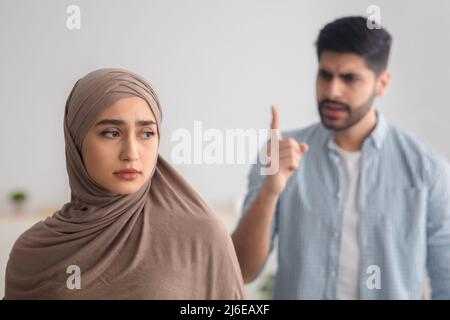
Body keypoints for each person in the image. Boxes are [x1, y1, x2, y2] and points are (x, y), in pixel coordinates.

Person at [232, 16, 450, 299]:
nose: (332, 91)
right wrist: (269, 193)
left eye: (349, 78)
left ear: (382, 83)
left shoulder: (427, 169)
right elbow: (241, 270)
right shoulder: (279, 155)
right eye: (325, 75)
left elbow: (446, 281)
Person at [5, 68, 245, 299]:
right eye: (111, 133)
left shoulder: (202, 235)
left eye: (147, 133)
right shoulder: (35, 251)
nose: (131, 153)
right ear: (76, 140)